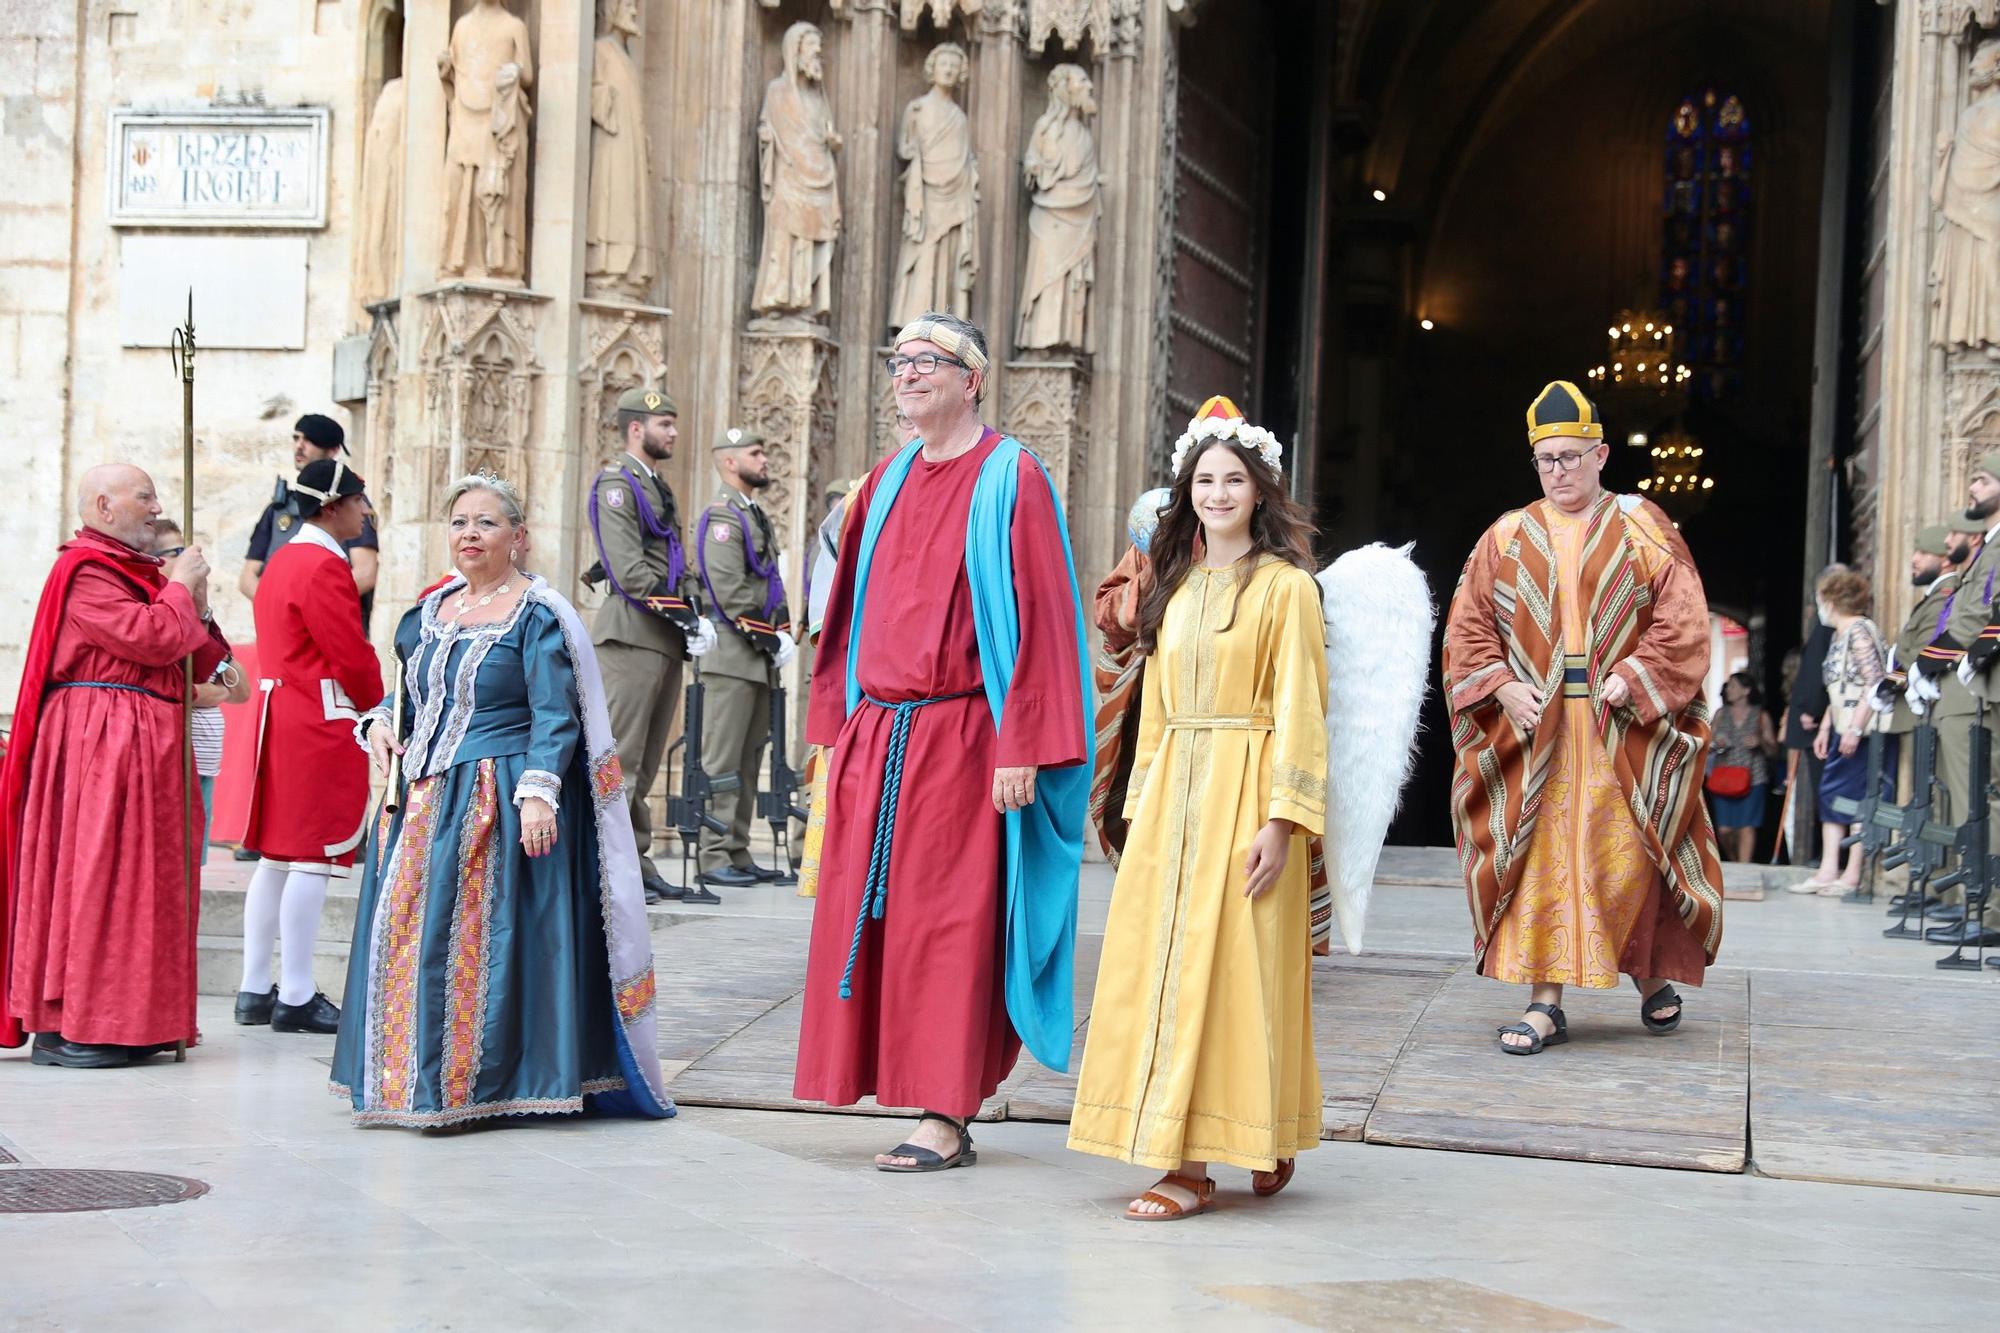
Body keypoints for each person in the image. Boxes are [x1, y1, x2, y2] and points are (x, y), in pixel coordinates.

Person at [793, 312, 1091, 1170]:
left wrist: (1022, 745)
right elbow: (842, 617)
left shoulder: (1012, 476)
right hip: (877, 732)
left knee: (947, 924)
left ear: (974, 380)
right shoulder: (880, 482)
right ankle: (886, 1079)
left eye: (932, 360)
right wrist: (833, 733)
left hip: (967, 735)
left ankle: (944, 1113)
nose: (909, 373)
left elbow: (1042, 618)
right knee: (873, 916)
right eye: (900, 360)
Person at [332, 473, 674, 1129]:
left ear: (517, 537)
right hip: (426, 798)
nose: (469, 534)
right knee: (412, 936)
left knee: (472, 948)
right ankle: (406, 1076)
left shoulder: (537, 616)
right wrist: (378, 721)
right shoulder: (428, 614)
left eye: (485, 523)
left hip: (497, 796)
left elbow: (556, 715)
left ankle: (473, 1083)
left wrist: (540, 792)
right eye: (460, 521)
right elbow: (411, 695)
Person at [1066, 398, 1329, 1221]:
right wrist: (1139, 807)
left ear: (1261, 492)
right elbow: (1160, 710)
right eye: (1205, 480)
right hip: (1175, 791)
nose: (1218, 493)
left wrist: (1282, 823)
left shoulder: (1289, 590)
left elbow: (1302, 710)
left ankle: (1227, 1144)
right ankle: (1208, 1143)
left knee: (1240, 973)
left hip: (1248, 795)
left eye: (1234, 480)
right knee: (1161, 972)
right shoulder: (1173, 591)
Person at [1443, 381, 1722, 1055]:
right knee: (1541, 855)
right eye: (1548, 460)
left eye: (1571, 457)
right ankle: (1545, 1002)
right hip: (1534, 733)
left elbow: (1684, 620)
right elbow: (1467, 629)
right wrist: (1503, 687)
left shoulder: (1643, 527)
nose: (1559, 471)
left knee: (1626, 854)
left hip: (1619, 730)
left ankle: (1650, 974)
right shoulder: (1506, 535)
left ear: (1601, 455)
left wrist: (1632, 675)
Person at [1, 465, 229, 1066]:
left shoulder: (139, 572)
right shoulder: (84, 572)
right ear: (104, 506)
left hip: (143, 739)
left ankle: (128, 1019)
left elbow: (202, 661)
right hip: (102, 741)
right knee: (103, 876)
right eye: (144, 496)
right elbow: (149, 638)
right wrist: (179, 588)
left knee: (143, 881)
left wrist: (195, 602)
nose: (157, 506)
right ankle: (82, 1023)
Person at [236, 459, 385, 1033]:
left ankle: (255, 987)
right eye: (357, 501)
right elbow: (348, 652)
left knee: (277, 857)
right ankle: (295, 993)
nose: (363, 512)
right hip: (317, 719)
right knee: (312, 858)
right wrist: (378, 704)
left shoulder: (282, 559)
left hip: (281, 714)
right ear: (331, 506)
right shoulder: (323, 565)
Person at [585, 386, 717, 904]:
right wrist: (683, 615)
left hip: (661, 637)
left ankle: (634, 860)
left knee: (646, 760)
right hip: (632, 634)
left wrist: (692, 614)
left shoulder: (655, 484)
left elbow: (674, 560)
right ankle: (607, 864)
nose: (675, 433)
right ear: (636, 428)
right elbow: (629, 568)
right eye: (666, 425)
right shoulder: (617, 484)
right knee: (622, 757)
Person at [694, 427, 797, 888]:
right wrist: (769, 638)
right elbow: (729, 587)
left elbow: (768, 583)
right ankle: (713, 853)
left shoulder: (752, 514)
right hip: (733, 655)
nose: (765, 459)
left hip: (753, 659)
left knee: (750, 758)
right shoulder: (724, 516)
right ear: (730, 462)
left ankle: (736, 849)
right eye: (756, 453)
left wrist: (782, 631)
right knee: (722, 760)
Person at [152, 519, 250, 859]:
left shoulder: (199, 616)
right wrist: (199, 694)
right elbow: (173, 689)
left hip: (204, 764)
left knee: (193, 867)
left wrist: (202, 610)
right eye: (176, 553)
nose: (188, 559)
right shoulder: (152, 615)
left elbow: (239, 689)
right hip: (168, 764)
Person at [1796, 573, 1894, 895]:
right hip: (1842, 727)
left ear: (1833, 600)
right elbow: (1837, 688)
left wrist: (1854, 728)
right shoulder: (1840, 634)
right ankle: (1827, 869)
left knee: (1856, 801)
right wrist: (1827, 726)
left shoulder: (1860, 631)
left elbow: (1874, 682)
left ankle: (1852, 874)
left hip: (1863, 732)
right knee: (1832, 795)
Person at [239, 413, 380, 632]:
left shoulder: (351, 507)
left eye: (309, 440)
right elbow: (248, 576)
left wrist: (312, 606)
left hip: (331, 628)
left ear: (333, 450)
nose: (299, 446)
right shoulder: (278, 508)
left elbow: (365, 573)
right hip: (281, 631)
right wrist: (280, 609)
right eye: (296, 439)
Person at [1778, 565, 1846, 863]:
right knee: (1821, 788)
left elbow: (1824, 672)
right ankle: (1828, 852)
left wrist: (1812, 710)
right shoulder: (1825, 625)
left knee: (1828, 787)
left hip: (1817, 722)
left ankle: (1833, 855)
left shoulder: (1832, 627)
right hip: (1814, 721)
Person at [1706, 671, 1778, 862]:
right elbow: (1706, 746)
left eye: (1733, 685)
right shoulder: (1721, 715)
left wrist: (1760, 741)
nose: (1728, 689)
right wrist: (1715, 744)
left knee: (1747, 827)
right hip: (1724, 777)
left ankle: (1744, 867)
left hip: (1754, 777)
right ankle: (1734, 859)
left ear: (1746, 690)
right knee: (1725, 829)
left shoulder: (1761, 716)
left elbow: (1774, 751)